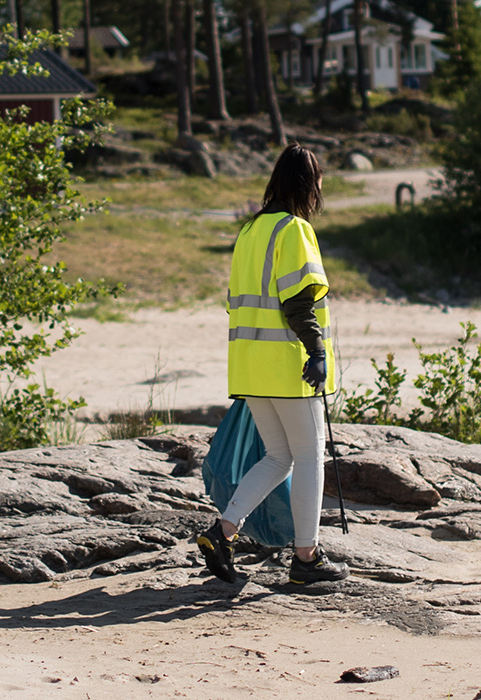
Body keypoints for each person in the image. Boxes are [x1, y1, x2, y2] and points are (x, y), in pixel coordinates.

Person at [197, 143, 350, 586]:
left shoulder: (249, 232)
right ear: (308, 183)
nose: (320, 188)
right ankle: (306, 558)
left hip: (250, 366)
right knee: (308, 457)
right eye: (318, 179)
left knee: (279, 456)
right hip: (289, 365)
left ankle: (223, 532)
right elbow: (298, 302)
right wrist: (317, 353)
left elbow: (236, 303)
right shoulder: (294, 230)